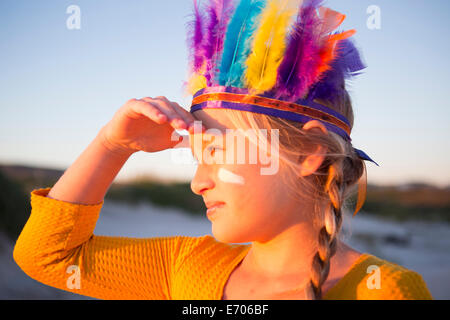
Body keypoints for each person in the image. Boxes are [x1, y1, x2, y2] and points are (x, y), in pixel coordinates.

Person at [13, 0, 433, 300]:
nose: (197, 182)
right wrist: (112, 145)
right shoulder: (184, 265)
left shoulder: (384, 290)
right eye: (197, 158)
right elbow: (46, 257)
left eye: (215, 152)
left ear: (308, 152)